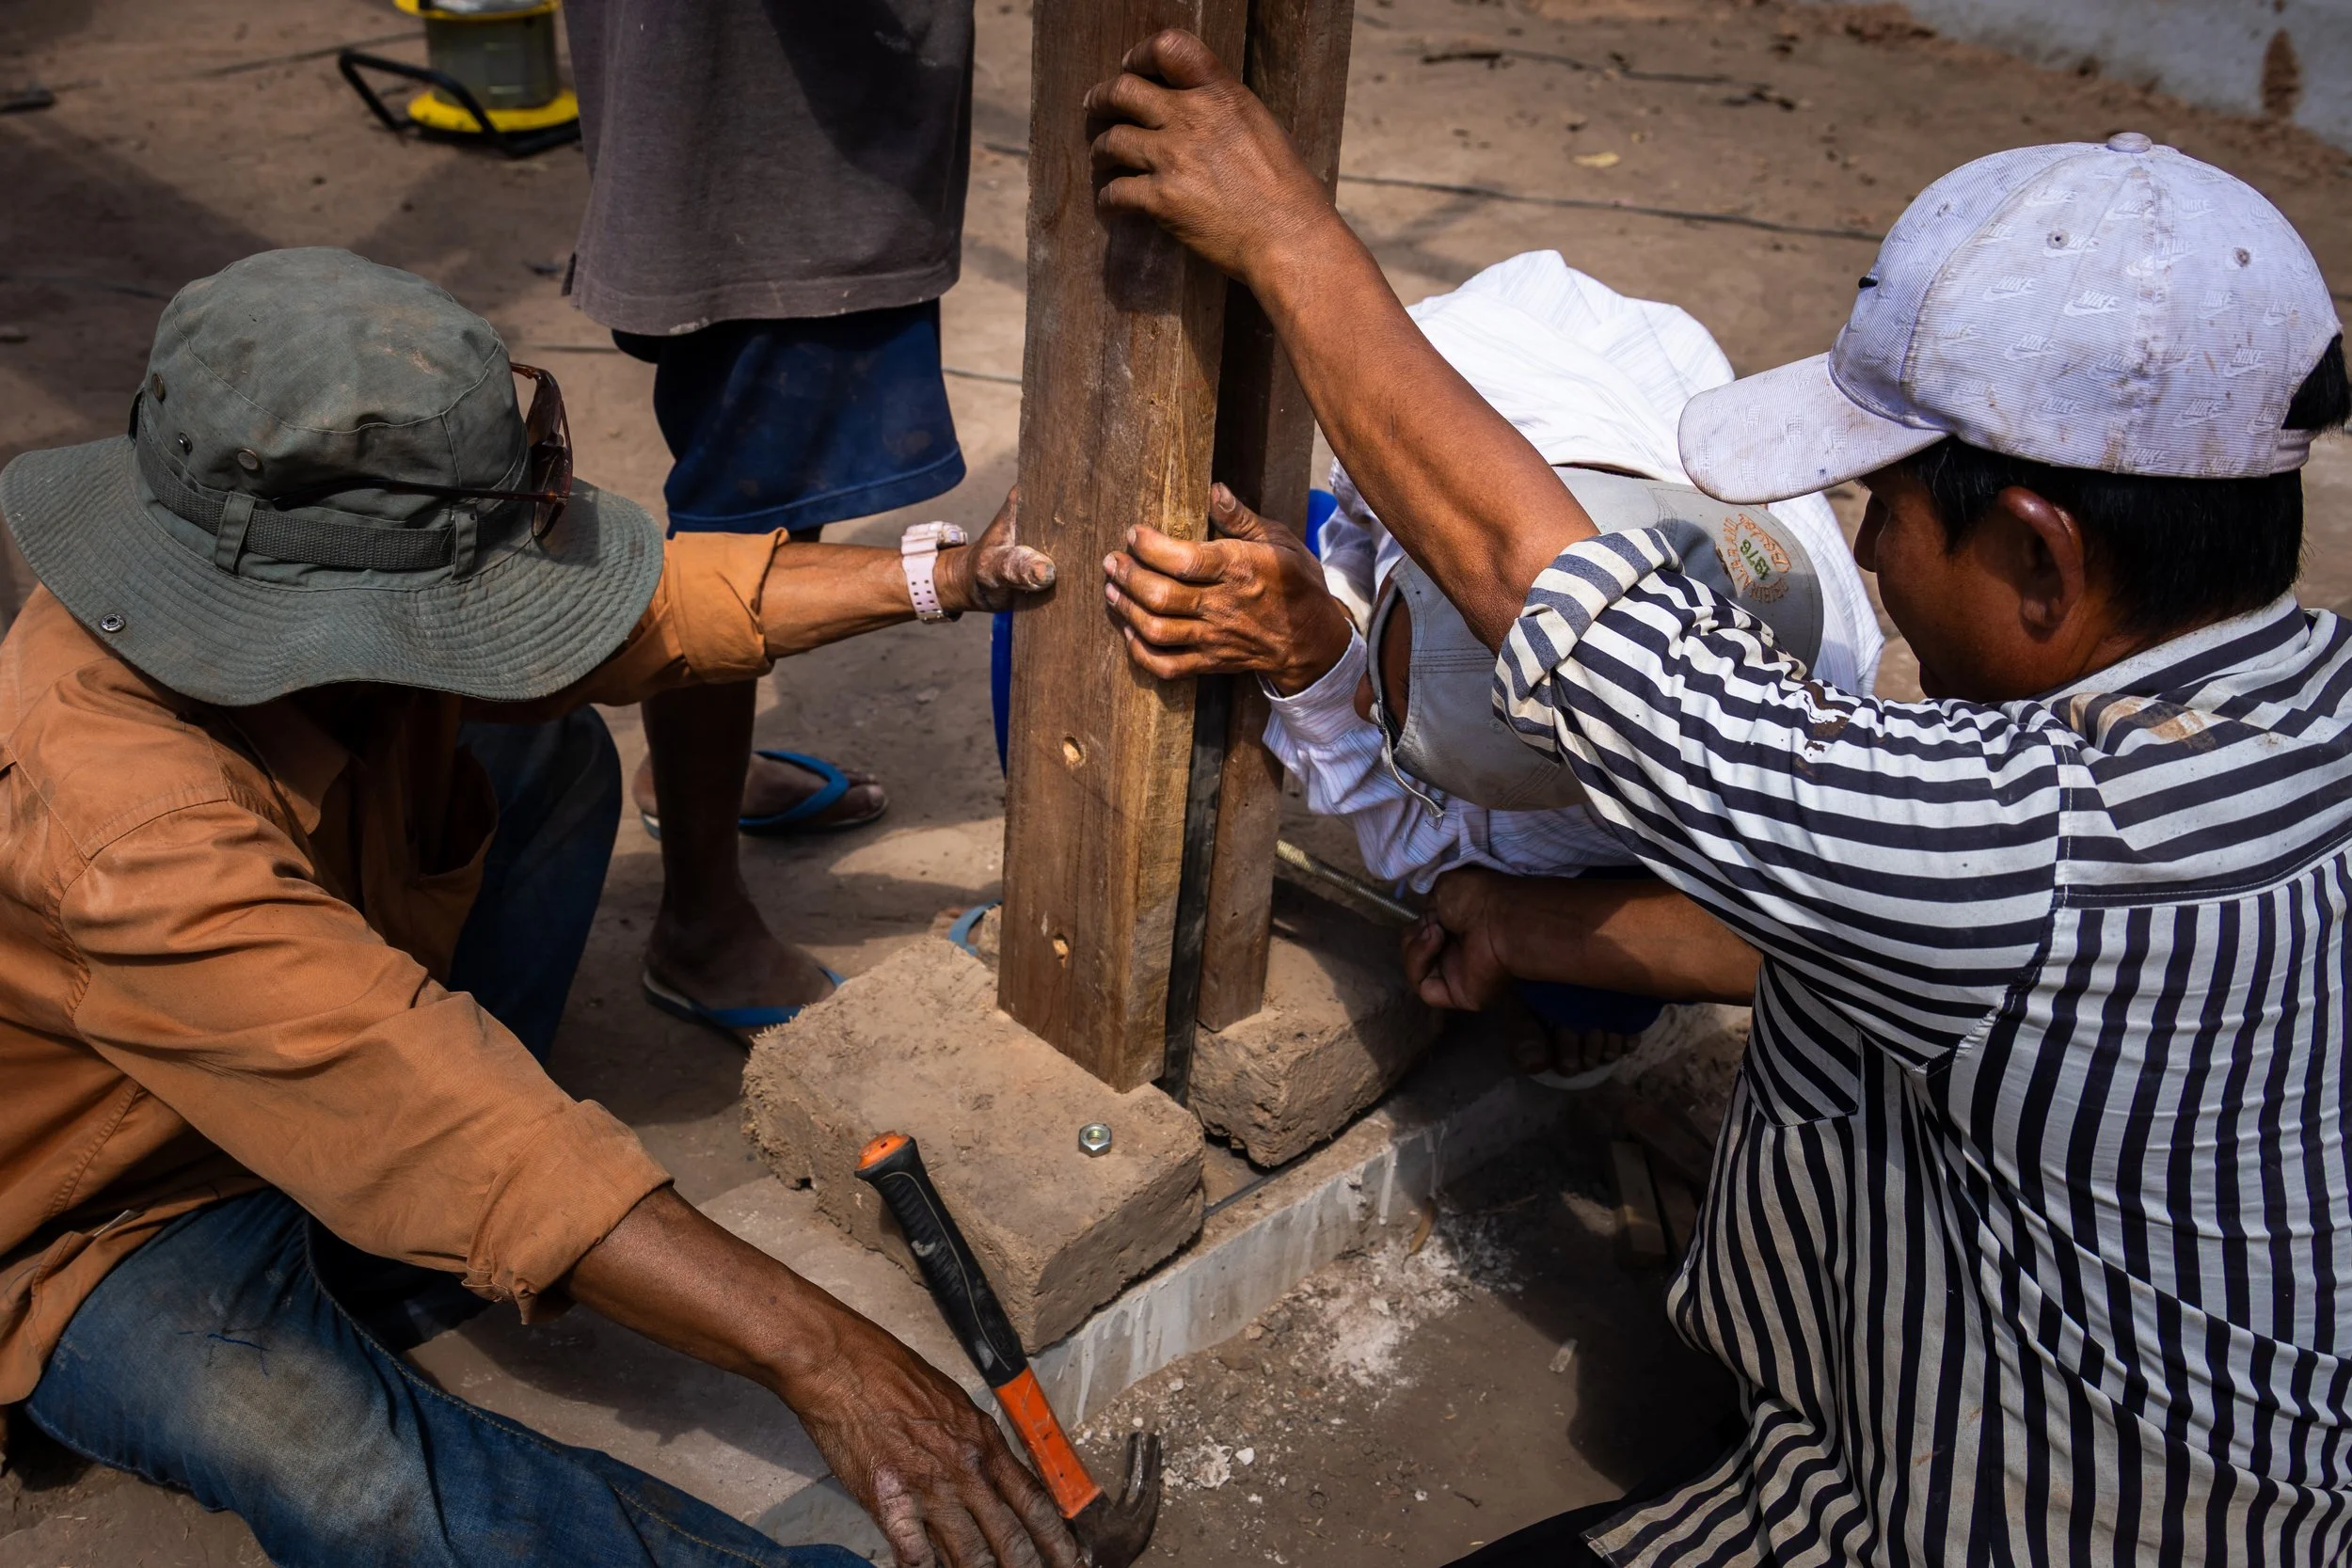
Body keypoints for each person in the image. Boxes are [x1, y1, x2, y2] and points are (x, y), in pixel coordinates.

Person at [1089, 33, 2352, 1565]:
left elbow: (1560, 611)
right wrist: (1530, 923)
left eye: (1884, 505)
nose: (1866, 550)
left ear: (2040, 557)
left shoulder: (2016, 836)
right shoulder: (2307, 707)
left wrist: (1287, 235)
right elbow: (1844, 943)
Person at [0, 248, 1072, 1568]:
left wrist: (949, 574)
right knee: (348, 1476)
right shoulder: (122, 822)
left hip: (332, 1062)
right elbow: (437, 1107)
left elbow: (642, 609)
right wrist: (828, 1354)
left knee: (542, 749)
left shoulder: (281, 565)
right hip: (114, 1209)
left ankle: (414, 1251)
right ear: (316, 606)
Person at [1103, 248, 1882, 1077]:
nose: (1367, 698)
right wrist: (1321, 610)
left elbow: (1420, 849)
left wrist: (1315, 665)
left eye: (1393, 716)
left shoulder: (1803, 719)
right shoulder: (1421, 422)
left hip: (1640, 755)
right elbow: (1366, 541)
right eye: (1382, 668)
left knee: (1597, 988)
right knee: (1160, 563)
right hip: (1479, 445)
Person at [563, 0, 978, 1036]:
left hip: (729, 113)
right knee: (746, 506)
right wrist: (947, 577)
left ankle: (698, 764)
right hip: (779, 144)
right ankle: (699, 921)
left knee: (772, 482)